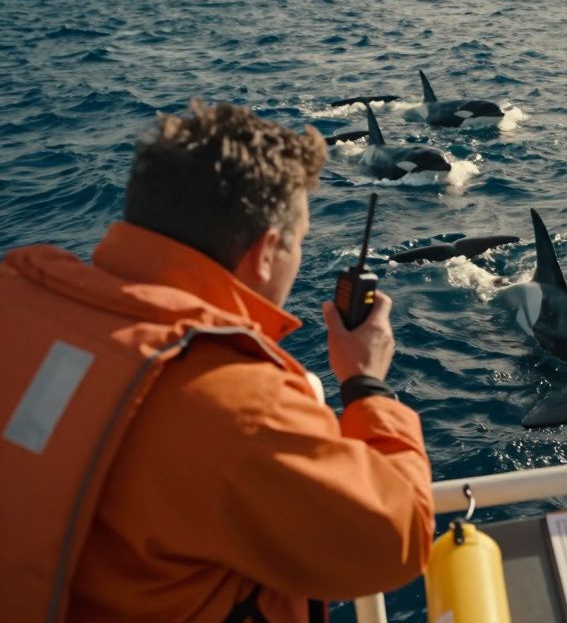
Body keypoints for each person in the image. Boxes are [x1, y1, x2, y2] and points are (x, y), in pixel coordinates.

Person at [0, 102, 435, 622]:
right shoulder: (238, 403)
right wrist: (366, 385)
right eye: (298, 242)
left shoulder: (16, 302)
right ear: (268, 250)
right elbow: (397, 541)